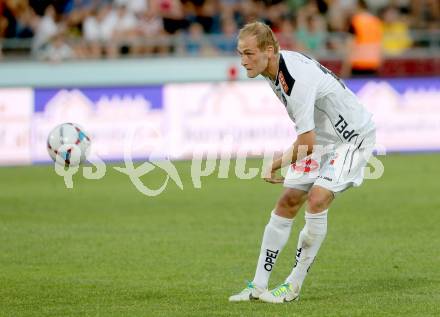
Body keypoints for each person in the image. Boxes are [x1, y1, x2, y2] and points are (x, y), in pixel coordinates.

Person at [229, 21, 376, 303]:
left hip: (352, 138)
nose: (243, 61)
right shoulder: (274, 71)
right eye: (240, 53)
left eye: (248, 54)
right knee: (288, 201)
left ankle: (292, 286)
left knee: (318, 198)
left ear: (268, 51)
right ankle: (258, 285)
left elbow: (305, 144)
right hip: (324, 140)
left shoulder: (293, 78)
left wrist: (276, 163)